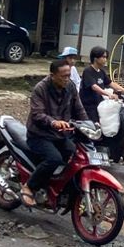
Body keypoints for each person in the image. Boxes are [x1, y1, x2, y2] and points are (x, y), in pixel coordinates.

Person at [21, 56, 86, 207]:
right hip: (39, 135)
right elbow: (37, 114)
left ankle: (56, 186)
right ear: (53, 76)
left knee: (74, 153)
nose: (67, 79)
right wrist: (53, 122)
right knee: (54, 158)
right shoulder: (40, 89)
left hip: (60, 135)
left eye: (69, 75)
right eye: (63, 76)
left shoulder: (70, 87)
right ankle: (29, 186)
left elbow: (79, 109)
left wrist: (89, 124)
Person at [79, 46, 124, 123]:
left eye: (106, 57)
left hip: (99, 104)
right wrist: (109, 94)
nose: (105, 59)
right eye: (103, 57)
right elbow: (94, 87)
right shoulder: (88, 71)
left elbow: (111, 83)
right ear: (95, 58)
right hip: (89, 106)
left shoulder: (101, 72)